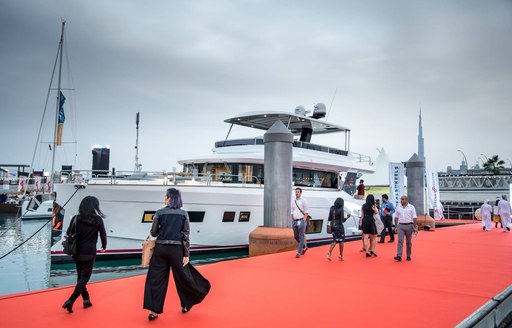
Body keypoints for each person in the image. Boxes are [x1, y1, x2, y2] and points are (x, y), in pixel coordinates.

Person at [144, 188, 210, 320]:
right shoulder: (184, 214)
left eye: (166, 196)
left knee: (156, 279)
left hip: (161, 248)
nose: (164, 198)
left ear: (170, 198)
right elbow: (186, 235)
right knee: (183, 278)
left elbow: (153, 232)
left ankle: (153, 311)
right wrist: (186, 254)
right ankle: (186, 304)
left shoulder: (159, 212)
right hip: (177, 250)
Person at [62, 196, 107, 313]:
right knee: (84, 278)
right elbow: (103, 234)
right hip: (90, 252)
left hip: (77, 251)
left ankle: (86, 299)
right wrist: (104, 246)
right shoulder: (97, 220)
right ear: (94, 206)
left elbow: (68, 233)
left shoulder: (76, 218)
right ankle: (71, 300)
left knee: (80, 277)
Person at [393, 195, 418, 262]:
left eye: (402, 199)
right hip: (400, 226)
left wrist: (415, 227)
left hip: (409, 225)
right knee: (400, 241)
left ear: (406, 200)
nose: (401, 200)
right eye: (401, 199)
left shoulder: (412, 207)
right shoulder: (398, 207)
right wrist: (395, 226)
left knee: (408, 242)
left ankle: (408, 255)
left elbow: (414, 217)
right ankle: (399, 255)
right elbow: (396, 217)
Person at [291, 187, 309, 258]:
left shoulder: (304, 201)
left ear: (301, 193)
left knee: (301, 236)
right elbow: (292, 211)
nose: (296, 193)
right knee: (296, 236)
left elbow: (306, 211)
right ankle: (304, 246)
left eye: (298, 192)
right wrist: (292, 219)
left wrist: (304, 219)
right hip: (295, 221)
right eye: (296, 192)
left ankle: (298, 252)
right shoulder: (293, 201)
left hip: (301, 220)